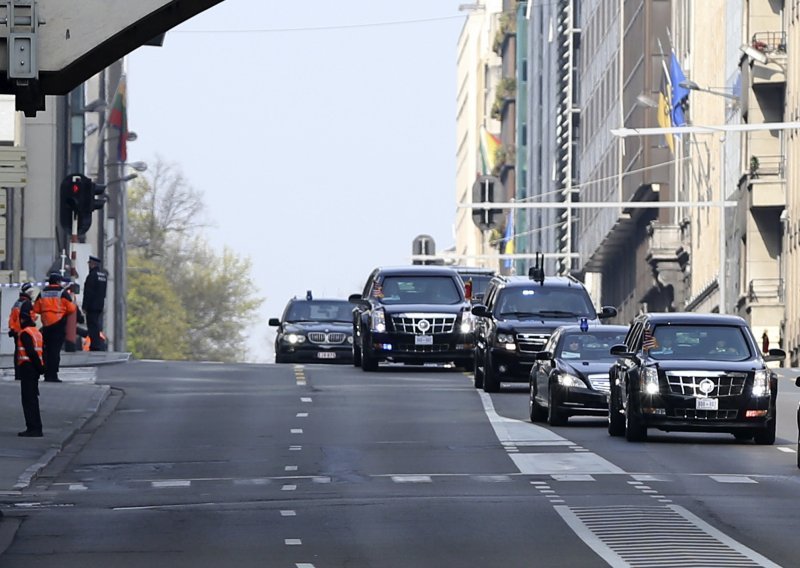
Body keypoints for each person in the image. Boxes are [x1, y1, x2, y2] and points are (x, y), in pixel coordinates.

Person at [32, 272, 77, 382]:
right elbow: (71, 309)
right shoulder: (62, 293)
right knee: (55, 352)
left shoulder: (42, 292)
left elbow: (36, 309)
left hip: (46, 325)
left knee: (46, 351)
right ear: (58, 282)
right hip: (58, 325)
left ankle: (47, 374)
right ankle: (53, 375)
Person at [16, 306, 45, 437]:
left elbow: (30, 352)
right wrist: (41, 368)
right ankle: (36, 427)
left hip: (28, 368)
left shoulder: (25, 333)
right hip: (34, 369)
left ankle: (33, 428)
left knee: (28, 400)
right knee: (33, 399)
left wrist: (39, 367)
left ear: (23, 319)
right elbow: (40, 352)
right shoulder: (36, 332)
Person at [8, 282, 35, 381]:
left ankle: (18, 374)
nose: (32, 294)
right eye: (31, 292)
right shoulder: (27, 303)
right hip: (23, 331)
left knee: (18, 353)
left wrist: (12, 329)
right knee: (25, 353)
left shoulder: (17, 302)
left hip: (16, 331)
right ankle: (23, 373)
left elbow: (12, 318)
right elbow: (26, 318)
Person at [82, 255, 108, 351]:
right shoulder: (103, 276)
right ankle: (97, 344)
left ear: (93, 264)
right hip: (99, 305)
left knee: (92, 325)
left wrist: (85, 306)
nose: (89, 265)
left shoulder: (92, 276)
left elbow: (88, 292)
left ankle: (95, 344)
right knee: (96, 324)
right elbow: (104, 292)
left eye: (89, 263)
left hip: (91, 306)